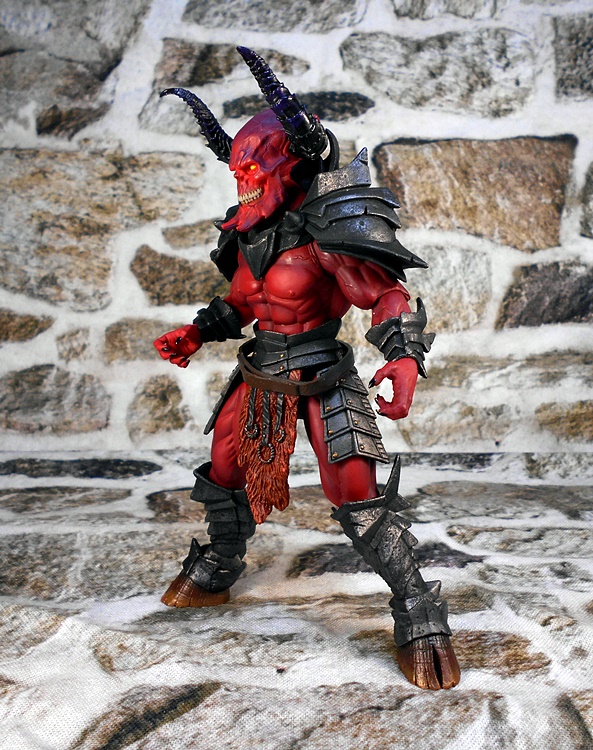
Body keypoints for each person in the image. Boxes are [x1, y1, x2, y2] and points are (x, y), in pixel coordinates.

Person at [155, 46, 460, 690]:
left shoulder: (328, 227)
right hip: (261, 372)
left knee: (357, 494)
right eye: (238, 168)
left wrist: (404, 358)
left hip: (323, 374)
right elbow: (241, 304)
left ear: (291, 164)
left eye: (254, 167)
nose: (243, 179)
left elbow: (385, 294)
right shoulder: (246, 232)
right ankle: (221, 562)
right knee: (225, 472)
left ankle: (417, 606)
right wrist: (197, 331)